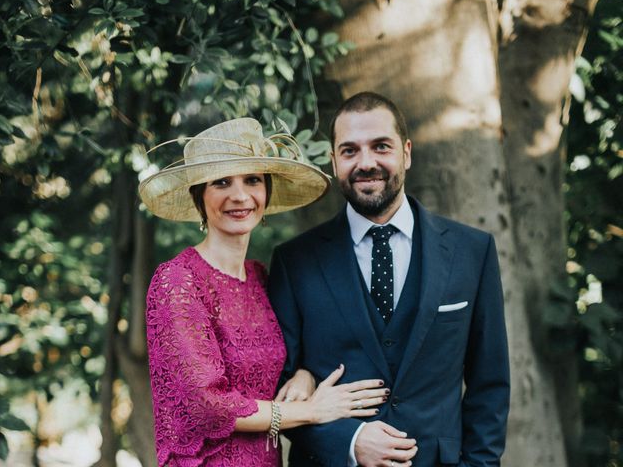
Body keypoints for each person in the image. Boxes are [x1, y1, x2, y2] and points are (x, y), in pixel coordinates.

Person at [268, 92, 510, 467]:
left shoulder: (471, 252)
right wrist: (349, 442)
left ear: (406, 152)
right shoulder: (294, 262)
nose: (366, 163)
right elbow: (278, 391)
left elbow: (489, 386)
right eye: (349, 151)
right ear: (334, 162)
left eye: (381, 146)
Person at [139, 118, 390, 467]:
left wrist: (304, 373)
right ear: (199, 195)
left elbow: (284, 357)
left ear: (266, 191)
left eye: (252, 180)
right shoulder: (178, 281)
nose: (240, 196)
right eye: (222, 182)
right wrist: (310, 411)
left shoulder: (259, 277)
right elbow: (207, 406)